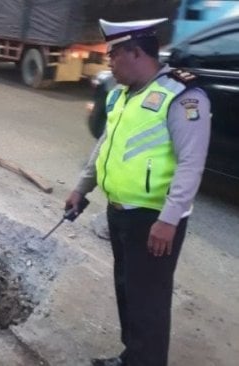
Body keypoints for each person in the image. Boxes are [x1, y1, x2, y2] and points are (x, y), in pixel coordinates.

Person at [65, 18, 211, 366]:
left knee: (149, 301)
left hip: (154, 220)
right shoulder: (121, 95)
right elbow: (105, 147)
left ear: (135, 53)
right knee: (128, 292)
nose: (109, 62)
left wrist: (169, 219)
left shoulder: (182, 95)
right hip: (120, 212)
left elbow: (191, 164)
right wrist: (81, 189)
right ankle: (133, 356)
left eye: (114, 54)